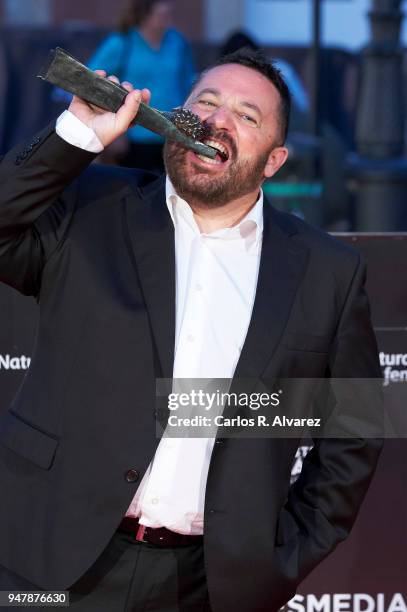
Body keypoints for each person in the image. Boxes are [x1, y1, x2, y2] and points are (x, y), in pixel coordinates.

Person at [0, 49, 382, 611]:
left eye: (246, 116)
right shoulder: (93, 205)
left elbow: (357, 426)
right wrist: (77, 134)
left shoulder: (328, 271)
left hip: (208, 586)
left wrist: (287, 554)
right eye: (205, 102)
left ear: (274, 160)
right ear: (175, 119)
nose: (218, 120)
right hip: (46, 558)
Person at [86, 0, 195, 172]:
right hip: (135, 135)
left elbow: (189, 83)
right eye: (160, 13)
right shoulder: (122, 42)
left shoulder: (177, 42)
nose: (166, 14)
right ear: (144, 12)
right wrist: (113, 130)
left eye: (168, 13)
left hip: (172, 135)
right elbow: (92, 81)